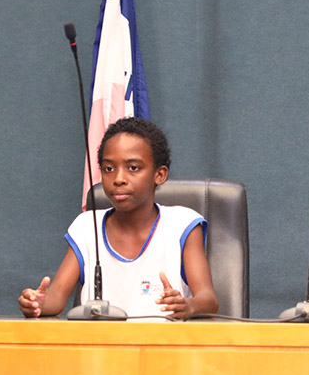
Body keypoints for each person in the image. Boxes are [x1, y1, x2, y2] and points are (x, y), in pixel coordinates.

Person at [18, 117, 218, 320]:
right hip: (99, 348)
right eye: (108, 169)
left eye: (133, 168)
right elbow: (57, 296)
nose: (118, 179)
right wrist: (38, 303)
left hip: (163, 347)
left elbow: (209, 300)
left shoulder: (182, 224)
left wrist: (188, 305)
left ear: (159, 175)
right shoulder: (87, 226)